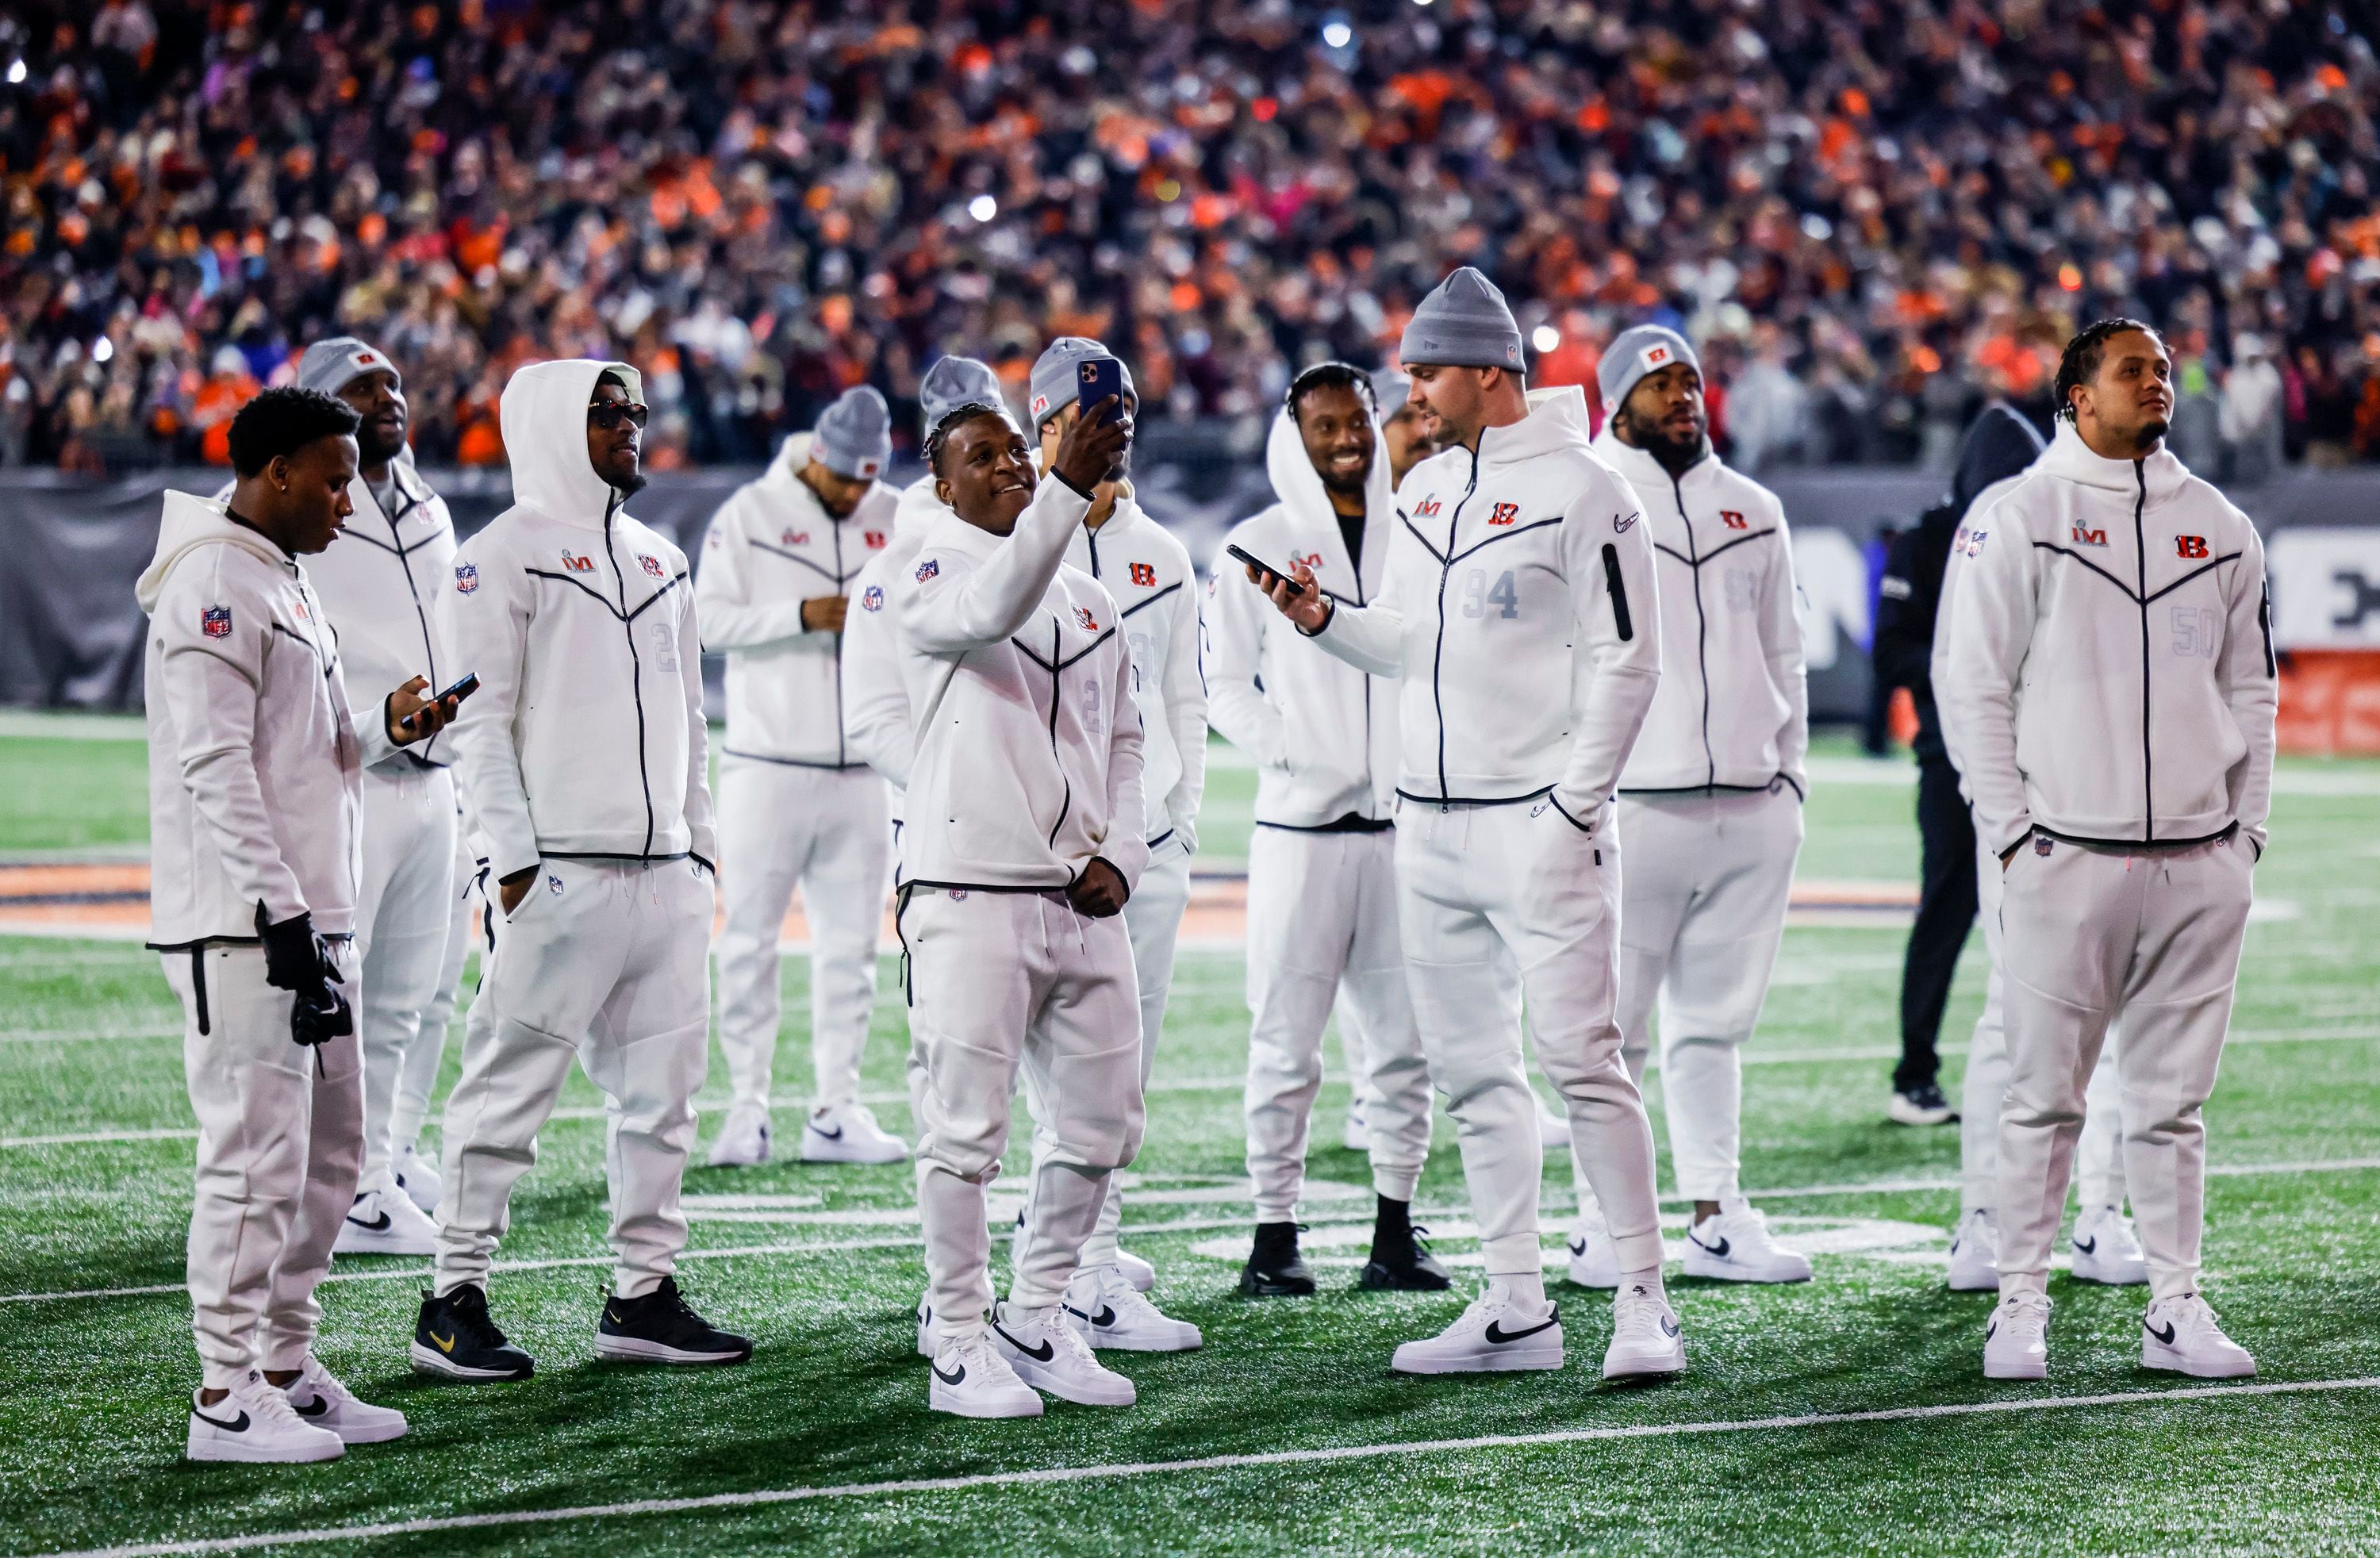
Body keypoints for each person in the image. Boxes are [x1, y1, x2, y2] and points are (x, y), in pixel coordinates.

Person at [1250, 267, 1679, 1380]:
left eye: (1425, 369)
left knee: (1584, 1062)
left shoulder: (1590, 491)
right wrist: (1324, 621)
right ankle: (1517, 1305)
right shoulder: (1429, 491)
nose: (1411, 390)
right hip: (1428, 831)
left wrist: (1575, 807)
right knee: (1475, 1077)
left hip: (1538, 823)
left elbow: (1634, 660)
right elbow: (1410, 642)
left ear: (1490, 374)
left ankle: (1643, 1299)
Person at [1942, 320, 2275, 1381]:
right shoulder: (2020, 516)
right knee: (2044, 1096)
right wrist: (2010, 836)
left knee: (2173, 1105)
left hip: (2195, 858)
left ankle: (2175, 1305)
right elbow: (1972, 685)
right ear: (2077, 396)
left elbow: (2252, 693)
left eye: (2166, 369)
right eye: (2134, 369)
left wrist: (2244, 834)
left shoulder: (2221, 525)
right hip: (2065, 855)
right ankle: (2020, 1304)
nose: (2158, 382)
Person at [140, 386, 459, 1461]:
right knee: (253, 1162)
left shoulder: (281, 579)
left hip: (312, 918)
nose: (347, 503)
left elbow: (308, 754)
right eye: (332, 479)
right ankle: (224, 1393)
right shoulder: (212, 582)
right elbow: (215, 767)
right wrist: (278, 912)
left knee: (332, 1162)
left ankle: (284, 1362)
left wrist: (385, 726)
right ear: (276, 469)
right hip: (250, 929)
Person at [416, 360, 750, 1380]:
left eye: (637, 411)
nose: (630, 427)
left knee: (665, 1099)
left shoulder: (659, 556)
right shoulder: (497, 556)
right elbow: (478, 720)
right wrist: (509, 862)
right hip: (558, 868)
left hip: (662, 875)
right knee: (506, 1090)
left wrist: (700, 847)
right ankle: (450, 1298)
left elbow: (693, 717)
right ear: (554, 424)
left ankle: (642, 1294)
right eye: (607, 412)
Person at [894, 395, 1146, 1418]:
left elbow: (1126, 738)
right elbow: (992, 605)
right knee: (965, 1136)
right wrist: (1071, 490)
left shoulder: (1089, 598)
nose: (1005, 464)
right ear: (939, 480)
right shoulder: (922, 567)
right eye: (979, 454)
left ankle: (1036, 1314)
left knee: (1101, 1126)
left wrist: (1122, 850)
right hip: (967, 890)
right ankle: (957, 1336)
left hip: (1082, 898)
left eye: (1013, 449)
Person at [1563, 326, 1812, 1287]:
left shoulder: (1754, 507)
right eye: (1659, 384)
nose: (1681, 397)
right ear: (1618, 401)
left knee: (1716, 1024)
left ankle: (1715, 1207)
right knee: (1609, 1029)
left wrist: (1788, 776)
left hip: (1750, 803)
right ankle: (1599, 1224)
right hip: (1634, 806)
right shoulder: (1588, 495)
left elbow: (1784, 651)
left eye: (1691, 381)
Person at [213, 339, 472, 1258]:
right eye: (364, 386)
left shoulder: (429, 503)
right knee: (354, 993)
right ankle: (356, 1183)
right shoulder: (282, 514)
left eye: (396, 381)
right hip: (350, 770)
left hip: (432, 765)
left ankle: (388, 1158)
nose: (389, 395)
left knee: (423, 992)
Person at [1206, 363, 1440, 1298]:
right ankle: (1275, 1233)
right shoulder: (1255, 543)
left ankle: (1395, 1226)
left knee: (1401, 1042)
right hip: (1300, 829)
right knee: (1284, 1041)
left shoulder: (1419, 531)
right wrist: (1291, 751)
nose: (1344, 439)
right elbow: (1222, 683)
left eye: (1356, 421)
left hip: (1401, 827)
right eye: (1324, 425)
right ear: (1292, 433)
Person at [1002, 338, 1205, 1348]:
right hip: (1038, 861)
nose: (1107, 430)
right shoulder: (1004, 541)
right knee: (1049, 1086)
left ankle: (1083, 1254)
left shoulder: (1160, 554)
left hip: (1143, 850)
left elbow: (1184, 706)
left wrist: (1175, 831)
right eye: (1086, 416)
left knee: (1119, 1080)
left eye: (1120, 412)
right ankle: (1075, 1270)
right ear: (1041, 427)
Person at [1921, 409, 2141, 1295]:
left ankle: (2098, 1212)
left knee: (2119, 1021)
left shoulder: (2155, 508)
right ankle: (1989, 1215)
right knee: (2014, 1015)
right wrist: (2001, 810)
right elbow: (1961, 673)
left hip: (2131, 814)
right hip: (2035, 816)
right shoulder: (2005, 513)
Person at [698, 386, 904, 1168]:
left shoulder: (896, 512)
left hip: (862, 768)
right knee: (747, 940)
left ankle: (836, 1108)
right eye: (847, 478)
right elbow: (707, 619)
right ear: (816, 457)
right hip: (768, 763)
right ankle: (745, 1107)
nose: (857, 494)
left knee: (852, 948)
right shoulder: (751, 512)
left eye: (867, 479)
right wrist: (799, 615)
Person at [1871, 405, 2043, 1129]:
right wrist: (1962, 685)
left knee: (2044, 915)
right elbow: (1895, 648)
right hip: (1951, 756)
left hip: (2036, 751)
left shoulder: (2047, 525)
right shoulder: (1931, 537)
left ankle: (2038, 1077)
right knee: (1948, 903)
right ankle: (1915, 1070)